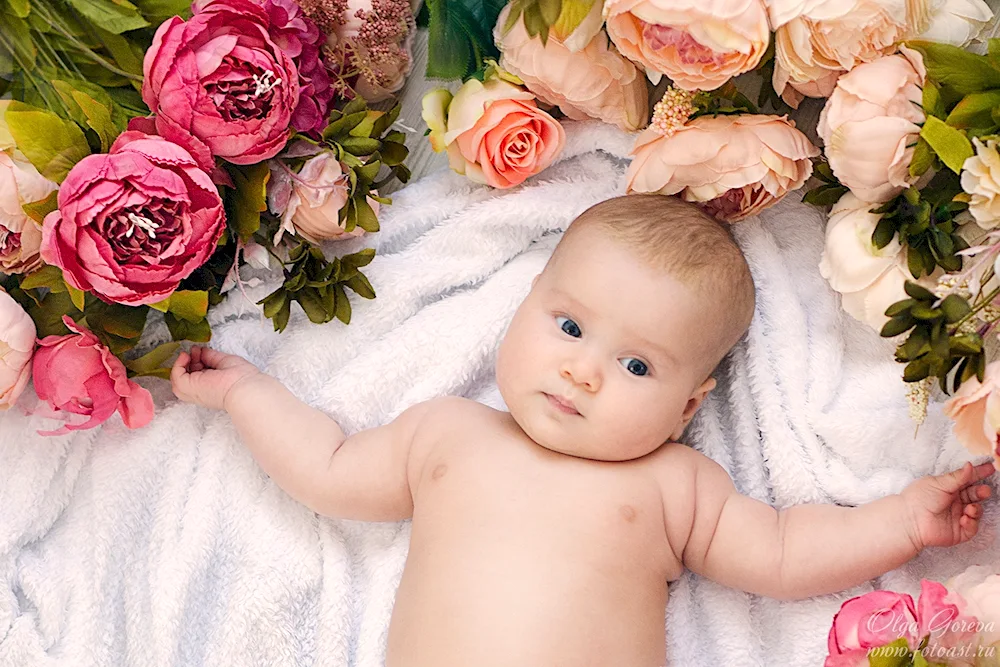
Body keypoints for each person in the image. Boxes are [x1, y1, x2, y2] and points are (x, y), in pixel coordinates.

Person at [171, 194, 995, 667]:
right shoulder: (446, 435)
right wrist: (245, 394)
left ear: (687, 407)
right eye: (569, 328)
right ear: (526, 305)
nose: (585, 371)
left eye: (638, 366)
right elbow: (327, 463)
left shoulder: (673, 486)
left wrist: (903, 523)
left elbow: (782, 553)